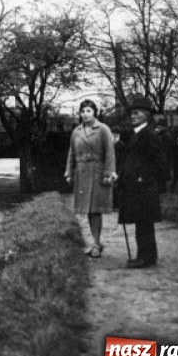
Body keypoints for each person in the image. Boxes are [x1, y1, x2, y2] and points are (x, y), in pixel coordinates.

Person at [117, 96, 169, 269]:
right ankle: (146, 256)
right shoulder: (137, 134)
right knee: (142, 222)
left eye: (136, 113)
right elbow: (132, 160)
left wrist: (144, 178)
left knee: (144, 223)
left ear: (146, 115)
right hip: (137, 186)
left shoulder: (149, 135)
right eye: (131, 113)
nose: (132, 116)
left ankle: (146, 257)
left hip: (144, 187)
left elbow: (160, 163)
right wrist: (121, 175)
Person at [64, 100, 117, 258]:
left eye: (88, 111)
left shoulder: (103, 129)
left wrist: (108, 174)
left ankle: (95, 243)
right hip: (81, 173)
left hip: (97, 172)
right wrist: (69, 172)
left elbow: (109, 153)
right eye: (83, 111)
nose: (85, 114)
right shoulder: (77, 131)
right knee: (87, 209)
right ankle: (96, 242)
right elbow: (71, 153)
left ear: (95, 112)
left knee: (95, 210)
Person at [154, 117, 174, 193]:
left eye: (160, 127)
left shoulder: (166, 135)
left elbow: (166, 148)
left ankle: (163, 188)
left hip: (164, 156)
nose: (158, 128)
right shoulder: (160, 134)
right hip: (161, 156)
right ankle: (161, 187)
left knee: (163, 172)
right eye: (158, 126)